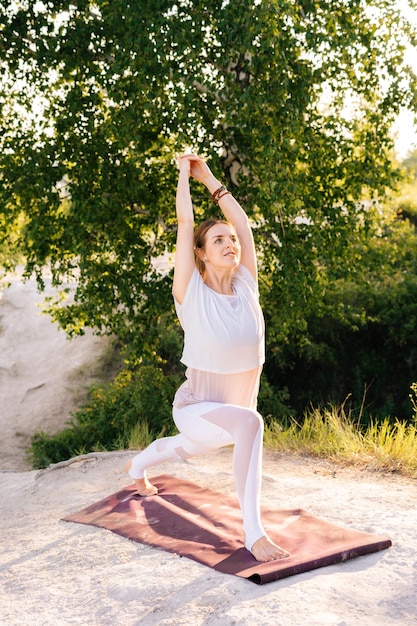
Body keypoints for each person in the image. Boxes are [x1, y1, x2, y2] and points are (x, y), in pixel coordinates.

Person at [126, 153, 290, 563]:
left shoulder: (246, 285)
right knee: (247, 423)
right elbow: (185, 224)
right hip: (199, 409)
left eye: (230, 239)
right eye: (218, 240)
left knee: (181, 447)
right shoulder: (191, 293)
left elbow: (246, 227)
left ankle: (136, 467)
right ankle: (253, 534)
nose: (230, 244)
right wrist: (184, 173)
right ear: (200, 253)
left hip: (225, 419)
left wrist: (211, 179)